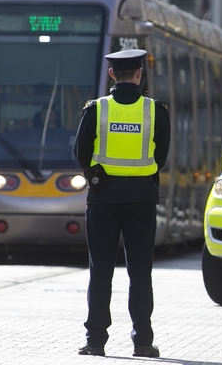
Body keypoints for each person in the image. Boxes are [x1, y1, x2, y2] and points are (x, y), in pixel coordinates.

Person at [74, 49, 171, 357]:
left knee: (100, 269)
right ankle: (142, 341)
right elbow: (161, 157)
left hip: (103, 199)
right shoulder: (155, 110)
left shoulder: (97, 109)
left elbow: (80, 152)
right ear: (139, 74)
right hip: (142, 199)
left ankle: (96, 342)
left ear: (112, 74)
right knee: (140, 271)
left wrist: (96, 177)